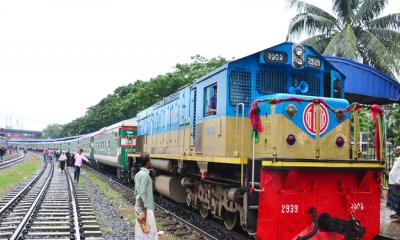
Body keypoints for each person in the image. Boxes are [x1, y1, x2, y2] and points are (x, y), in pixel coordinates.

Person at [134, 154, 158, 240]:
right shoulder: (145, 175)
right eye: (150, 161)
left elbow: (136, 193)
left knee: (141, 233)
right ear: (148, 163)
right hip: (145, 208)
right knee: (149, 233)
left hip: (140, 208)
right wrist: (143, 212)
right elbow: (141, 194)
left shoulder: (137, 174)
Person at [388, 146, 400, 221]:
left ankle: (398, 214)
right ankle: (397, 213)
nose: (395, 152)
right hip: (392, 182)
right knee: (394, 199)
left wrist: (399, 182)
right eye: (395, 150)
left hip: (396, 182)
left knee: (397, 199)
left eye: (397, 151)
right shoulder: (397, 159)